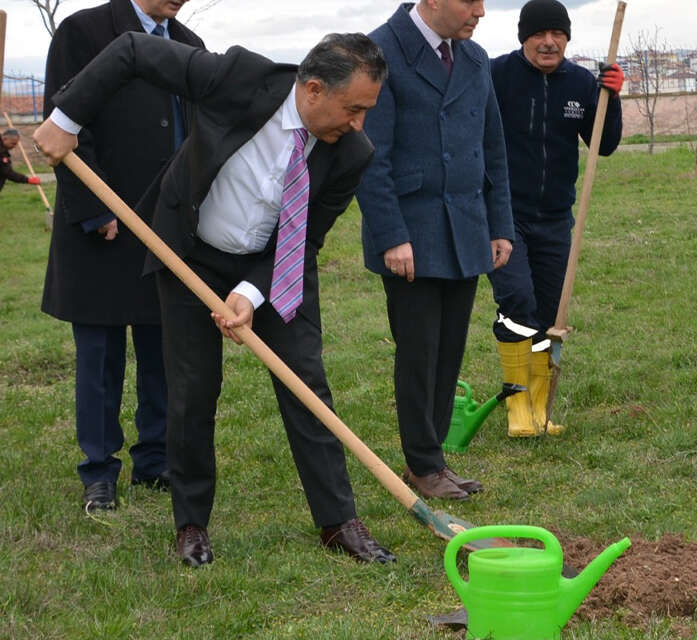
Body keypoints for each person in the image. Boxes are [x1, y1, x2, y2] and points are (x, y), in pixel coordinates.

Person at [35, 32, 397, 567]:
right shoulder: (237, 79)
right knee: (192, 391)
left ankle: (338, 520)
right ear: (314, 89)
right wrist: (65, 121)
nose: (359, 123)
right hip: (190, 254)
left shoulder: (351, 153)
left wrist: (250, 293)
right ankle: (191, 523)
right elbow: (133, 51)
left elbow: (306, 238)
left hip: (275, 266)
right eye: (354, 108)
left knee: (307, 387)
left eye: (368, 110)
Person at [40, 0, 202, 513]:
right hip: (103, 225)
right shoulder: (83, 32)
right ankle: (99, 471)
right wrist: (96, 209)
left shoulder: (189, 46)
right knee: (100, 359)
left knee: (162, 351)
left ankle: (154, 460)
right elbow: (65, 124)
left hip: (165, 227)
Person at [358, 1, 514, 500]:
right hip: (412, 233)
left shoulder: (474, 59)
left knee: (448, 350)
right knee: (419, 351)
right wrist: (391, 235)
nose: (481, 12)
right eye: (469, 1)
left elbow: (493, 150)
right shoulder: (381, 51)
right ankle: (423, 464)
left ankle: (434, 458)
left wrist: (499, 226)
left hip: (466, 229)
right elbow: (370, 156)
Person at [488, 0, 623, 437]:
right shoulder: (496, 76)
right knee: (517, 304)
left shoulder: (581, 82)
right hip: (504, 216)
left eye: (557, 34)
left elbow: (603, 145)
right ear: (523, 37)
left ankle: (540, 409)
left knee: (549, 312)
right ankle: (517, 409)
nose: (548, 42)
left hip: (555, 218)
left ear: (567, 38)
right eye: (538, 34)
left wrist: (611, 99)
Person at [0, 129, 41, 194]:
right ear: (5, 139)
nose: (14, 146)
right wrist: (28, 180)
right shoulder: (1, 153)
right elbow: (7, 172)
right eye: (13, 143)